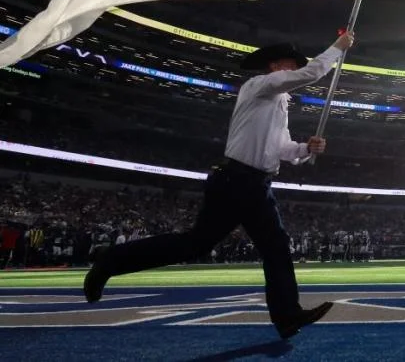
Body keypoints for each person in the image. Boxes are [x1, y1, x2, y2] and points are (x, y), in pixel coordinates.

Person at [83, 32, 355, 339]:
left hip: (255, 184)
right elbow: (311, 74)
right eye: (290, 65)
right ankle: (110, 260)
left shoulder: (279, 102)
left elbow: (281, 148)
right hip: (237, 181)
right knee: (211, 245)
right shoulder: (259, 85)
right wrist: (338, 48)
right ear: (274, 65)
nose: (294, 70)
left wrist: (306, 148)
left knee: (262, 247)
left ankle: (287, 316)